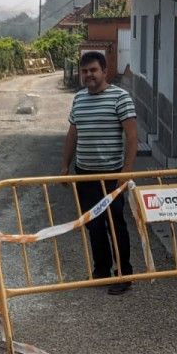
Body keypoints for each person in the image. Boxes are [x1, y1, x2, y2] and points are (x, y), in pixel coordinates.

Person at [60, 51, 138, 295]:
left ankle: (123, 273)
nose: (88, 75)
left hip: (111, 175)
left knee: (115, 224)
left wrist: (125, 172)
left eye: (93, 70)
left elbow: (133, 137)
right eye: (84, 71)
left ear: (104, 71)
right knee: (93, 224)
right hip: (86, 175)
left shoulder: (120, 97)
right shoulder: (79, 99)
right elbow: (73, 134)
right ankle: (101, 270)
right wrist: (65, 165)